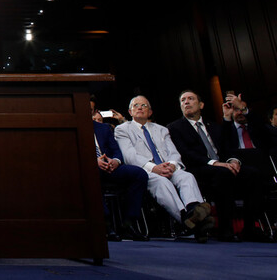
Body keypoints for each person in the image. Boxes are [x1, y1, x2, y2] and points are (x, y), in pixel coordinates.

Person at [167, 89, 268, 242]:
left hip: (222, 167)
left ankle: (250, 228)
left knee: (253, 174)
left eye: (190, 99)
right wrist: (215, 163)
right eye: (183, 100)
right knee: (223, 174)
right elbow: (185, 153)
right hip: (197, 169)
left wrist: (233, 161)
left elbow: (228, 148)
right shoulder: (174, 127)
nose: (186, 102)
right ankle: (225, 229)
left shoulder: (213, 126)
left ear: (201, 105)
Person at [114, 96, 213, 242]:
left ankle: (193, 209)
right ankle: (187, 219)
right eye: (136, 105)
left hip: (168, 168)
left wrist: (172, 165)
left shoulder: (162, 130)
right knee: (162, 182)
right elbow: (130, 157)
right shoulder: (122, 130)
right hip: (147, 171)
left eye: (144, 105)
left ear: (150, 112)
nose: (140, 107)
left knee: (187, 177)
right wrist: (155, 168)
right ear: (130, 111)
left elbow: (174, 153)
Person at [93, 117, 149, 241]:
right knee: (91, 175)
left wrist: (116, 161)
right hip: (90, 168)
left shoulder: (103, 128)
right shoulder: (72, 127)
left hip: (110, 166)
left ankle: (129, 223)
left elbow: (116, 151)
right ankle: (106, 224)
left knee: (139, 174)